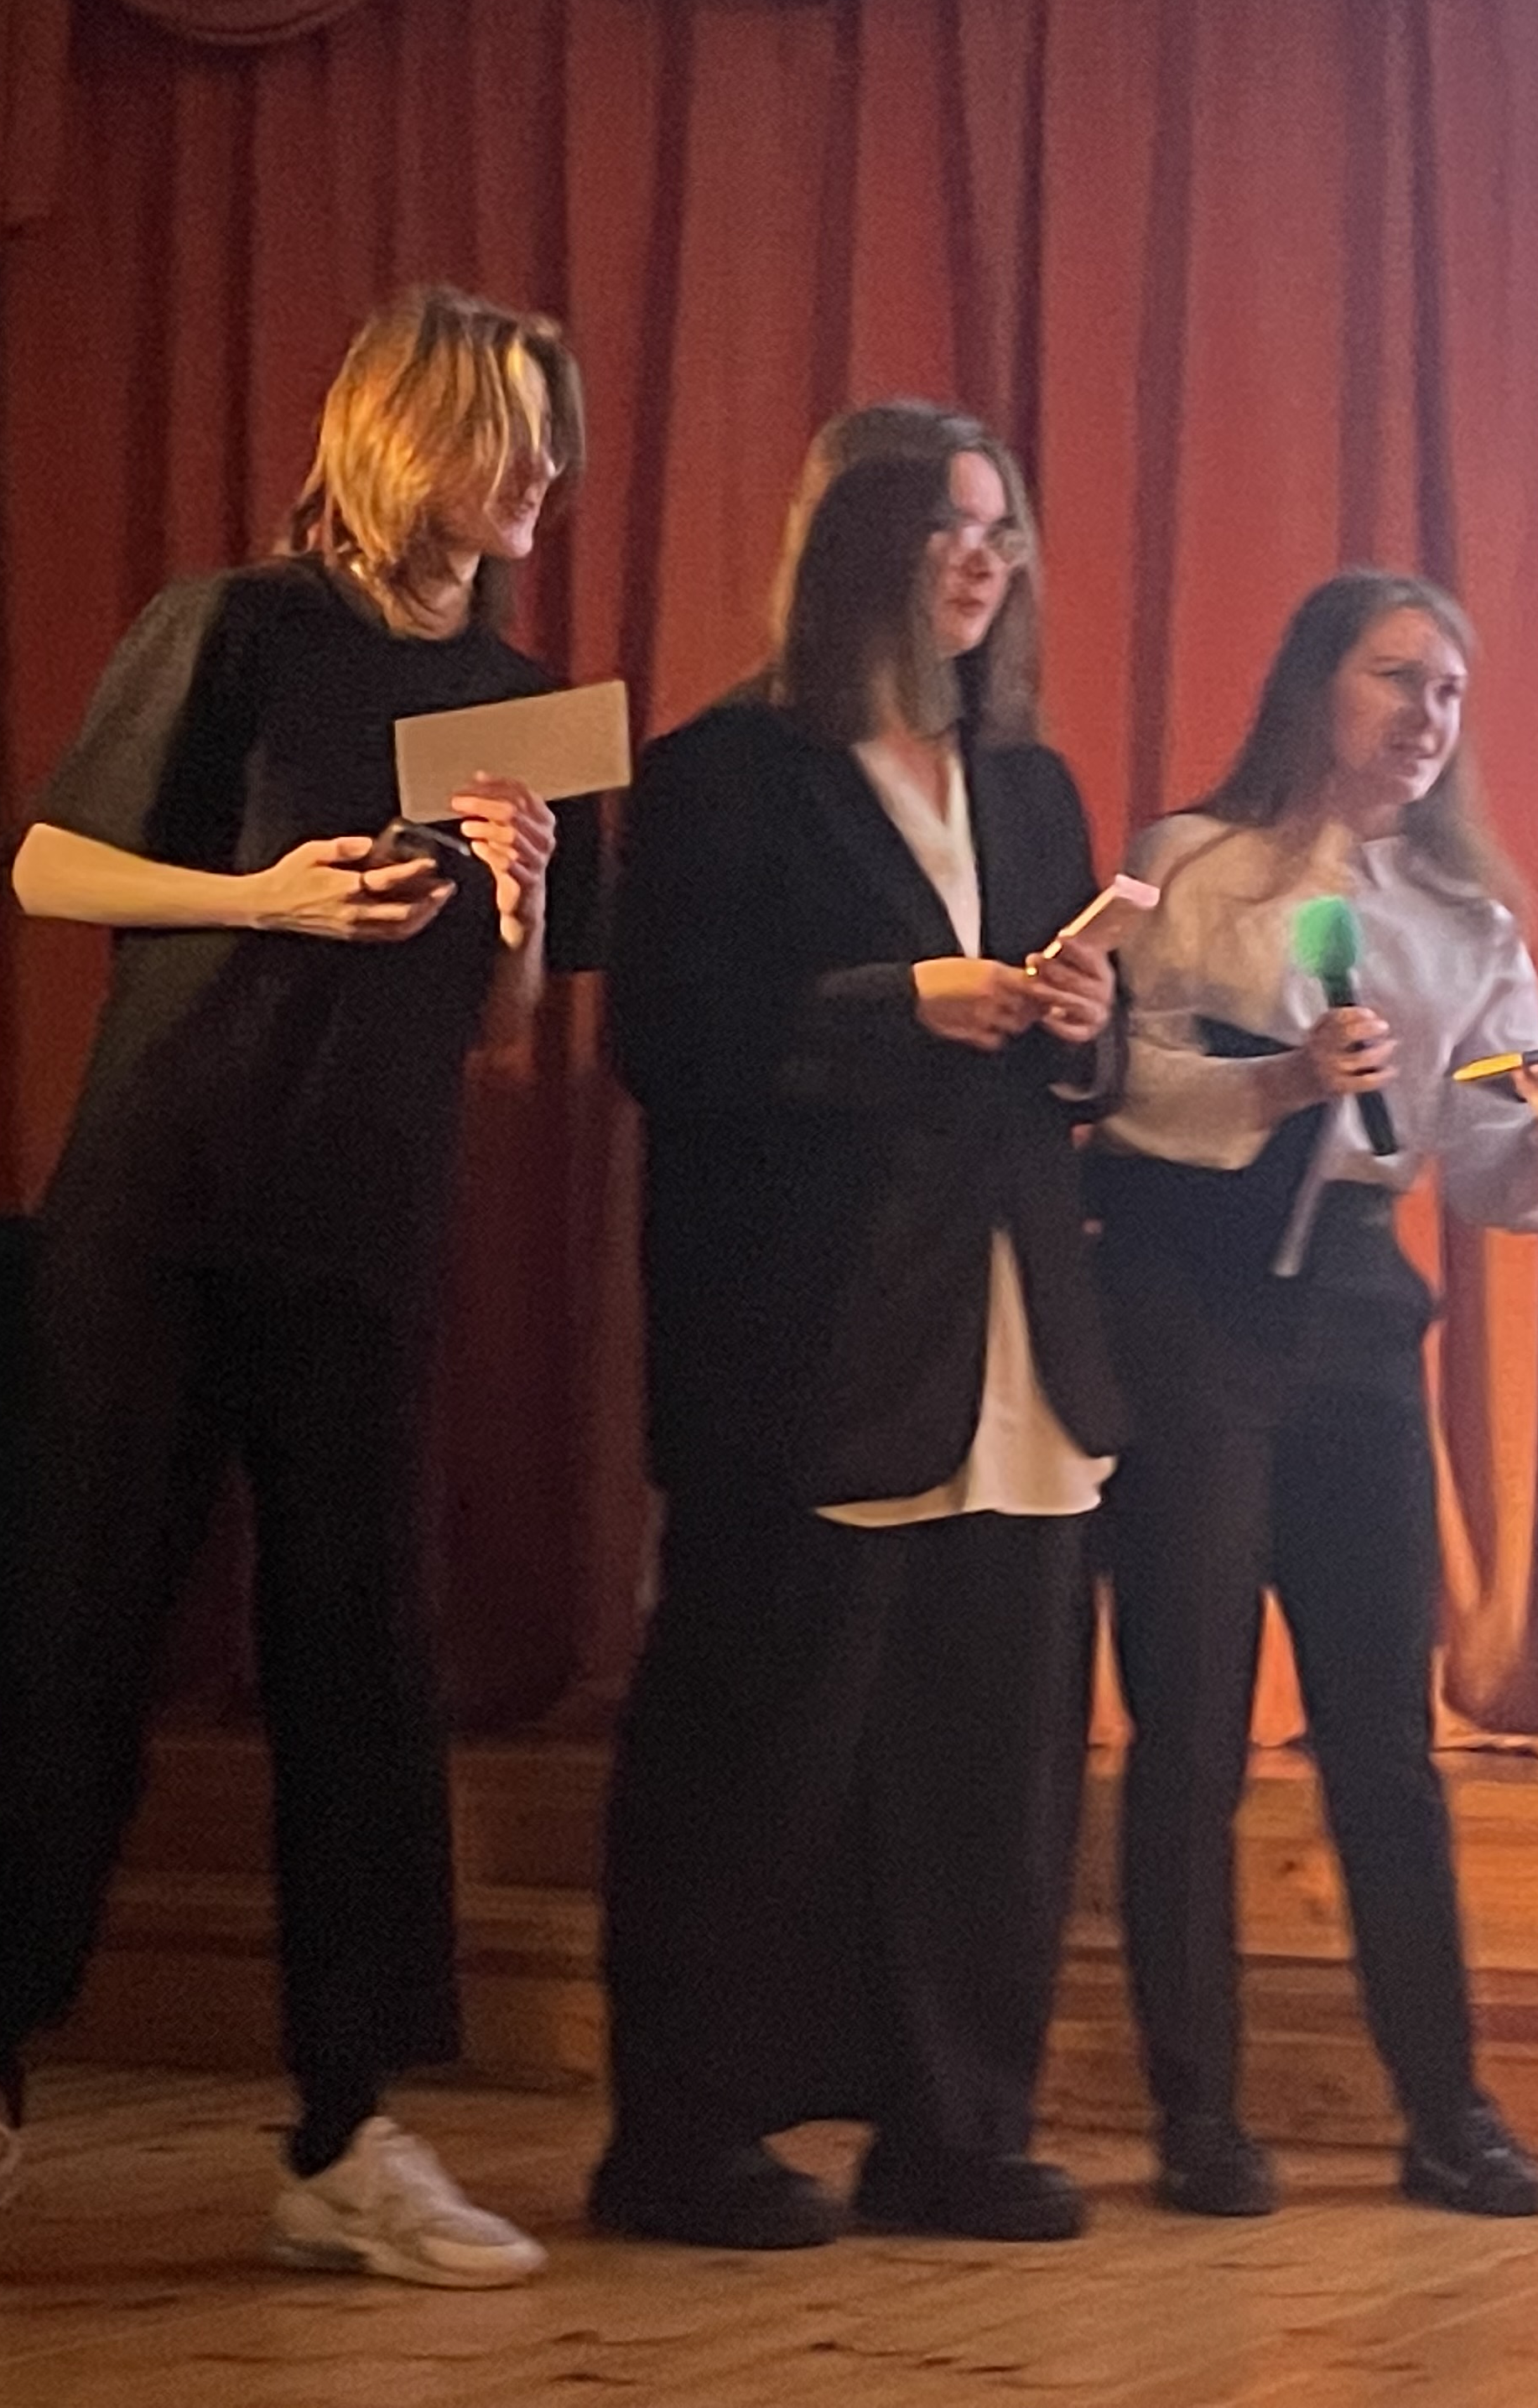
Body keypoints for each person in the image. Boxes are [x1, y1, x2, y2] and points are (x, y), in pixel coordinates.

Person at [0, 285, 582, 2290]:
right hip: (163, 1204)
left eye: (551, 436)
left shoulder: (518, 695)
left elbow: (501, 1023)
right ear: (403, 434)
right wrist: (266, 895)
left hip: (364, 1231)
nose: (541, 469)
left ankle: (344, 2135)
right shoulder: (238, 627)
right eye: (506, 429)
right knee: (84, 1626)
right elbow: (50, 868)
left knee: (361, 1665)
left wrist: (520, 911)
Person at [593, 413, 1124, 2249]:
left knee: (996, 1746)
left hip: (1011, 1327)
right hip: (807, 1339)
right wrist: (903, 1002)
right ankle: (685, 2135)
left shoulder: (1031, 785)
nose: (986, 560)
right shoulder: (723, 775)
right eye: (950, 527)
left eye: (1003, 532)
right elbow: (669, 1040)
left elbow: (1084, 1062)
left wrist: (1080, 1023)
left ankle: (958, 2126)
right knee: (763, 1741)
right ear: (859, 545)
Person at [1089, 570, 1538, 2222]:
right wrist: (1281, 1082)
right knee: (1191, 1729)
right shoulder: (1187, 863)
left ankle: (1448, 2113)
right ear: (1316, 683)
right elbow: (1117, 1084)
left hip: (1360, 1321)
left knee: (1385, 1735)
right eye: (1397, 679)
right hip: (1192, 1305)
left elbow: (1487, 1163)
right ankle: (1198, 2113)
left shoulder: (1467, 918)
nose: (1427, 717)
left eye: (1449, 692)